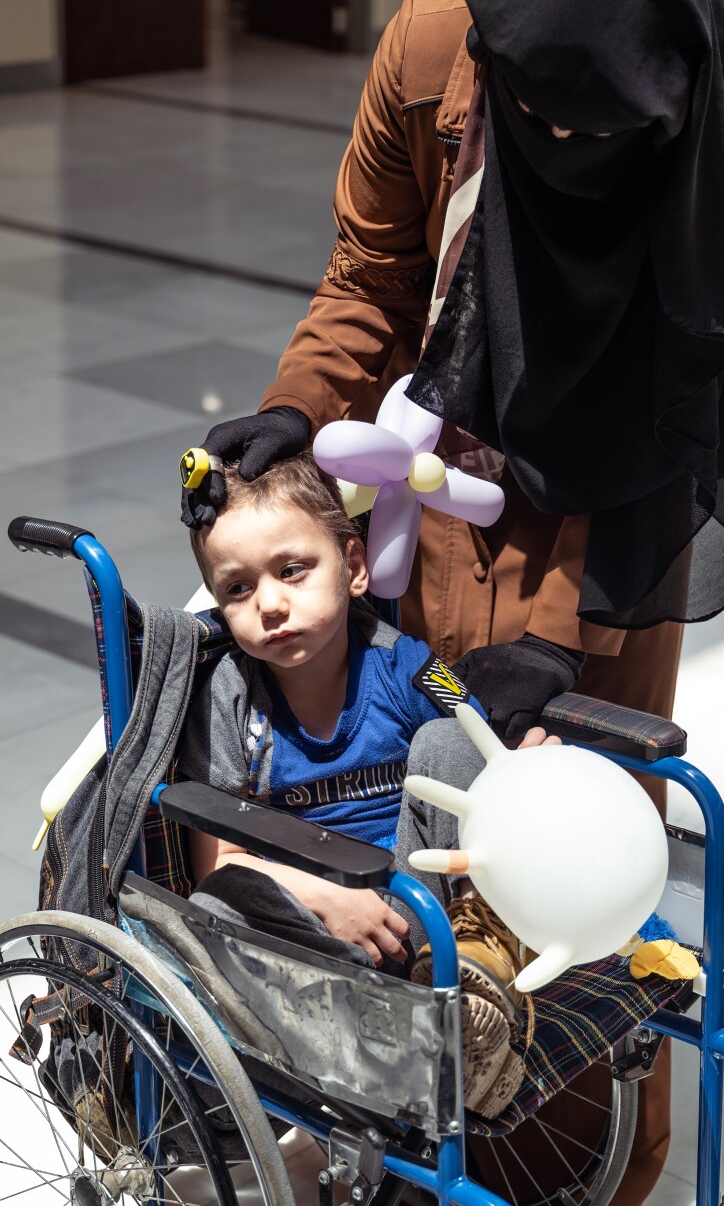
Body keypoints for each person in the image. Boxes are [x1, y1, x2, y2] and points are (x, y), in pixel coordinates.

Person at [179, 0, 724, 1206]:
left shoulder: (708, 102)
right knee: (419, 802)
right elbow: (373, 269)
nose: (570, 147)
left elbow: (685, 388)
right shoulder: (429, 44)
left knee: (568, 835)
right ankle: (399, 1117)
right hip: (438, 469)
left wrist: (565, 636)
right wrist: (300, 408)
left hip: (620, 504)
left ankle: (552, 1177)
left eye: (603, 130)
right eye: (542, 117)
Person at [177, 449, 560, 1118]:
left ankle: (479, 967)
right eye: (237, 589)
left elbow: (477, 729)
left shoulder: (405, 662)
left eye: (293, 570)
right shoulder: (227, 700)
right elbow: (219, 862)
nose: (270, 603)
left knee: (450, 739)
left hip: (428, 912)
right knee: (215, 905)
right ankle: (370, 1033)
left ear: (353, 568)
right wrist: (331, 898)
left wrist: (522, 763)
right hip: (311, 933)